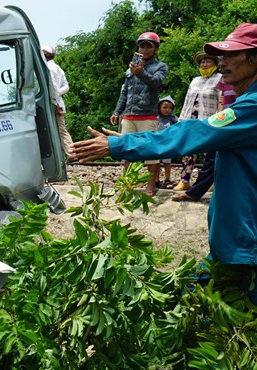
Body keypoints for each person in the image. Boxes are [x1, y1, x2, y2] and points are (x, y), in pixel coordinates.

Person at [70, 23, 257, 303]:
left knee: (234, 325)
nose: (223, 63)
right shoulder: (245, 104)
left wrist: (118, 145)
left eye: (231, 55)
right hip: (234, 242)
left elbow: (194, 132)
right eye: (221, 56)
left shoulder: (251, 108)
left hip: (246, 249)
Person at [110, 32, 168, 195]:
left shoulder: (160, 66)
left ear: (155, 48)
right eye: (142, 45)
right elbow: (124, 92)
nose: (145, 49)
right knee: (126, 151)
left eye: (149, 46)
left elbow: (156, 82)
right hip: (129, 115)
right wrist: (117, 111)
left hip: (148, 115)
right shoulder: (131, 68)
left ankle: (150, 184)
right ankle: (127, 183)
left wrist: (141, 72)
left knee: (150, 152)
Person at [171, 51, 222, 192]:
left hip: (209, 120)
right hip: (191, 119)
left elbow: (222, 100)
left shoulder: (220, 79)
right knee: (188, 152)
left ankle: (209, 182)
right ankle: (184, 180)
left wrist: (219, 119)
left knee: (208, 154)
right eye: (202, 62)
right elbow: (187, 101)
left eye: (208, 61)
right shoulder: (195, 80)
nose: (204, 64)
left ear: (215, 64)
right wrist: (182, 120)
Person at [42, 45, 74, 157]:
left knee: (59, 131)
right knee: (62, 130)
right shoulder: (58, 68)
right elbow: (66, 86)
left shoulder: (47, 68)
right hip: (59, 102)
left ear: (44, 55)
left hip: (53, 104)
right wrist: (58, 96)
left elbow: (53, 86)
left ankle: (71, 154)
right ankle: (69, 154)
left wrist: (56, 101)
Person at [156, 96, 177, 189]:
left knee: (167, 162)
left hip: (168, 144)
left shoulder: (174, 119)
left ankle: (167, 179)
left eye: (170, 108)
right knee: (156, 162)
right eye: (164, 107)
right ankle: (156, 179)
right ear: (159, 108)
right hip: (156, 143)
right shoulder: (156, 118)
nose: (167, 110)